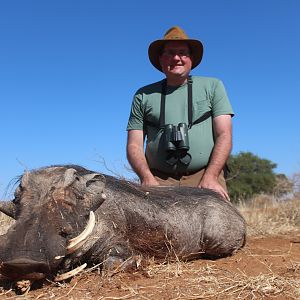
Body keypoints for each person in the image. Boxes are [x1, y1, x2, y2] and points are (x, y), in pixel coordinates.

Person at [126, 26, 233, 201]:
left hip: (204, 175)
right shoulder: (142, 95)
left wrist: (211, 176)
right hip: (158, 179)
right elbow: (134, 145)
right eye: (170, 52)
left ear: (191, 58)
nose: (176, 58)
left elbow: (224, 134)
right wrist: (147, 179)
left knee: (219, 224)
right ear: (161, 59)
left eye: (183, 53)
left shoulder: (213, 86)